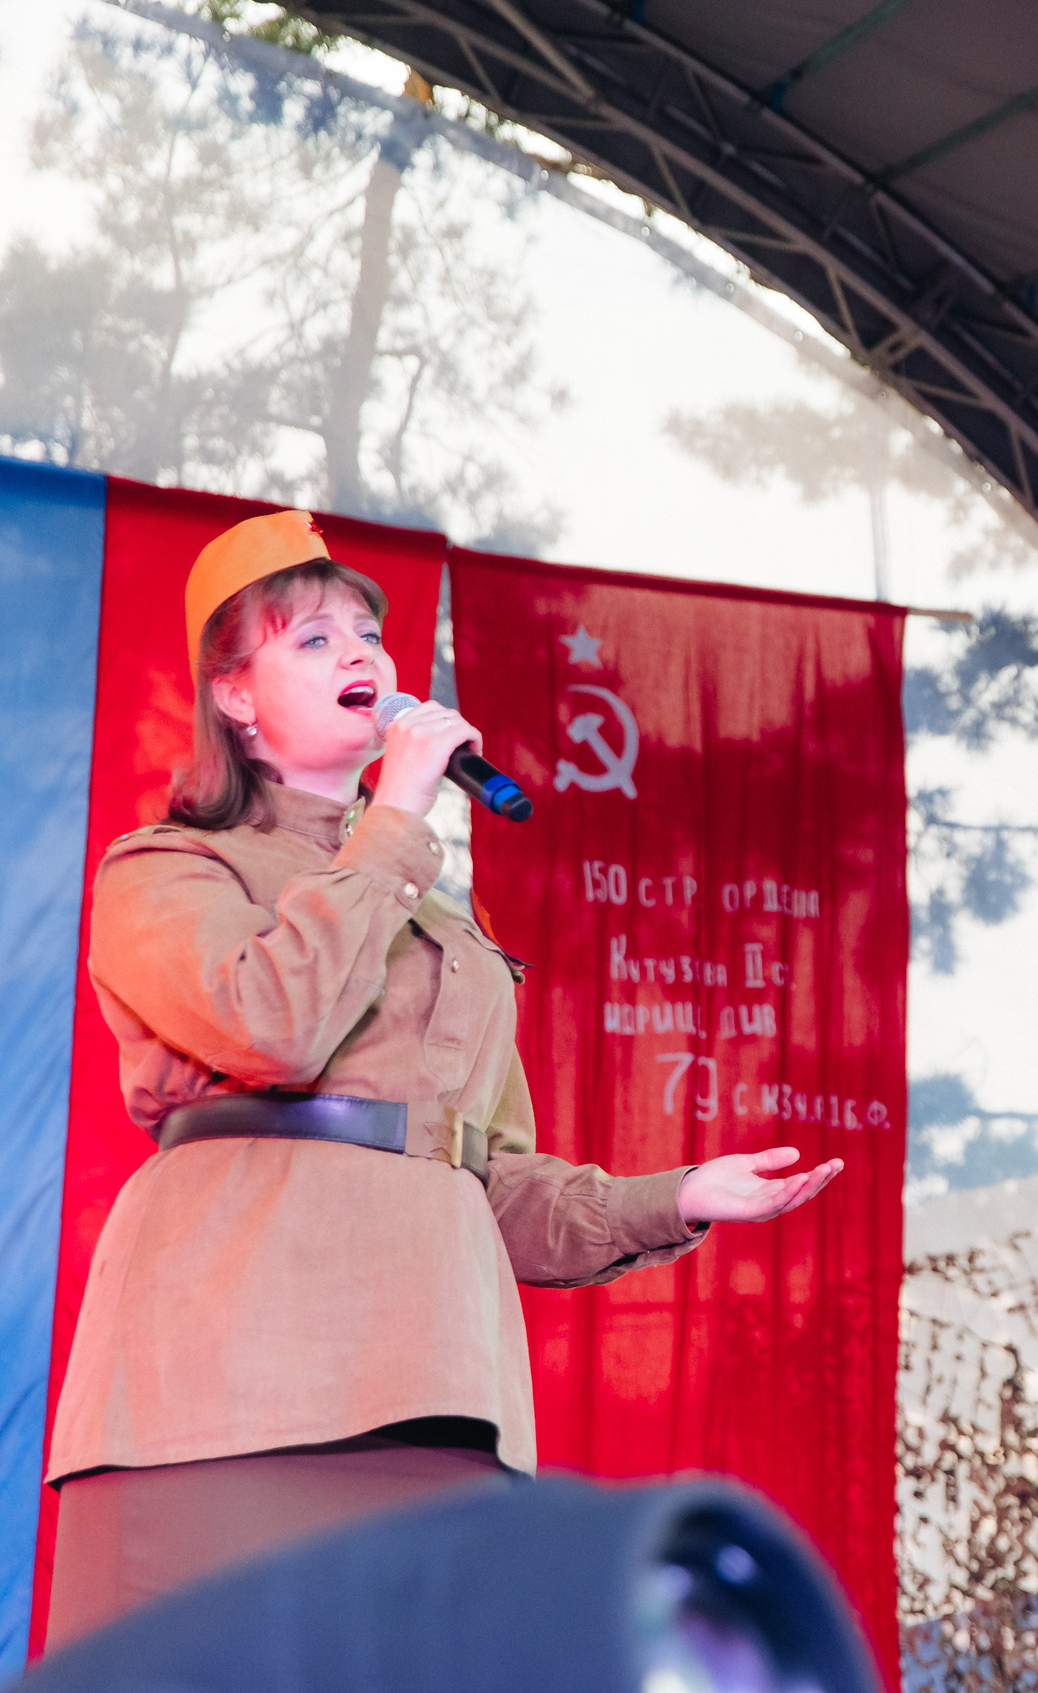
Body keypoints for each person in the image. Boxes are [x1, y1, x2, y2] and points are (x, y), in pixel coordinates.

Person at [45, 511, 843, 1641]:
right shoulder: (172, 866)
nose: (361, 653)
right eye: (313, 638)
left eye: (368, 631)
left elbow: (486, 1180)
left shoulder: (437, 919)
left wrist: (677, 1194)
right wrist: (398, 815)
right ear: (233, 694)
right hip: (221, 1379)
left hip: (438, 1380)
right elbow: (268, 1023)